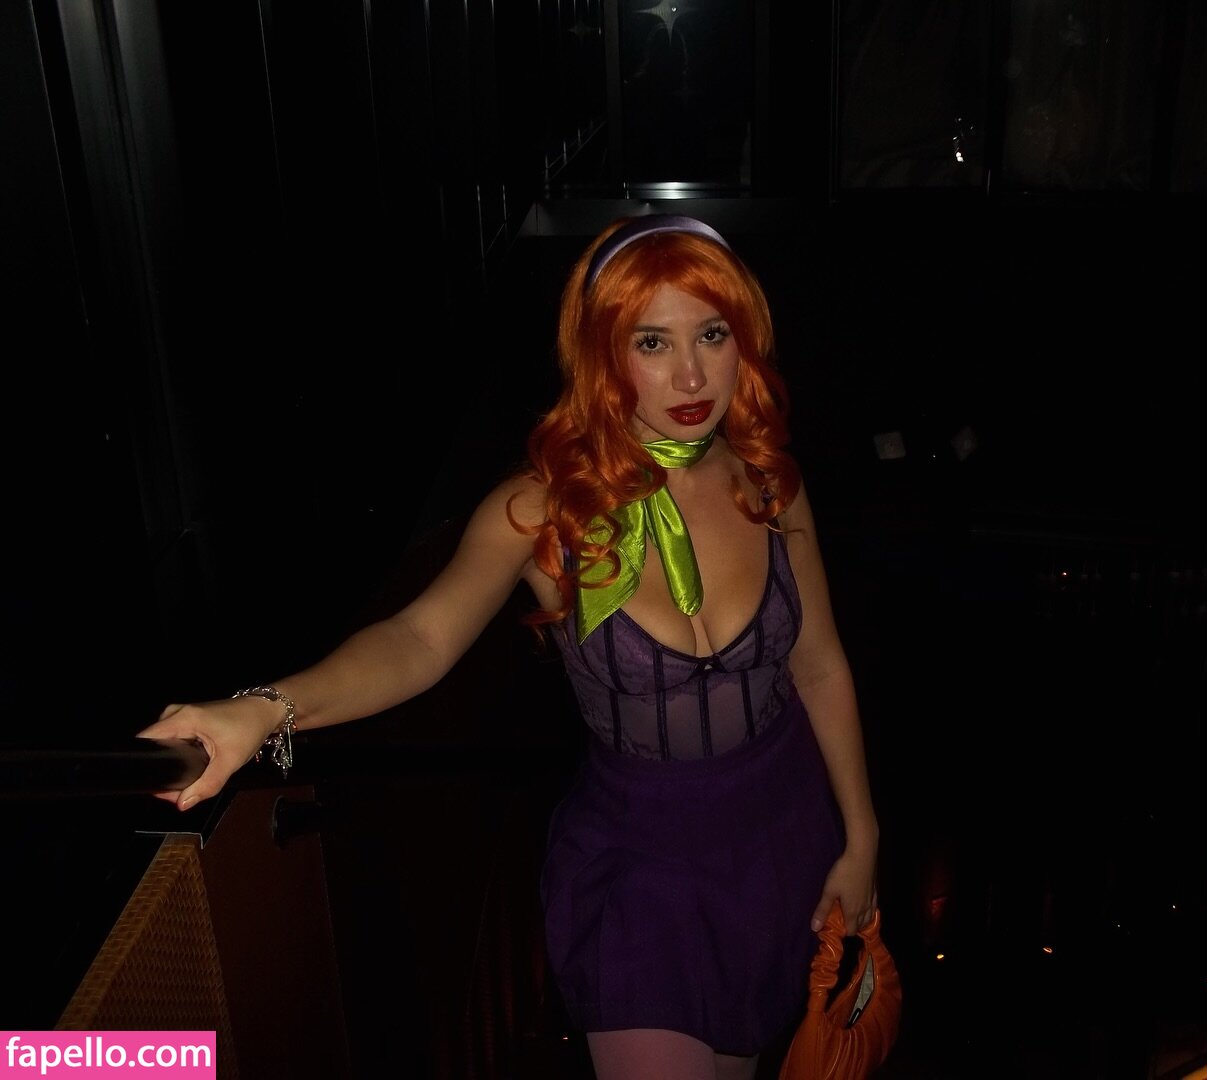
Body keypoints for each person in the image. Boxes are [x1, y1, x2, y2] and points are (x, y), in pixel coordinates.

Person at [138, 214, 881, 1079]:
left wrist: (862, 836)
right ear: (602, 354)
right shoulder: (543, 511)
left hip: (779, 838)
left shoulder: (771, 484)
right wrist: (266, 708)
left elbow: (819, 664)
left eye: (712, 335)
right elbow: (418, 637)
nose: (691, 375)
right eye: (652, 341)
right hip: (640, 867)